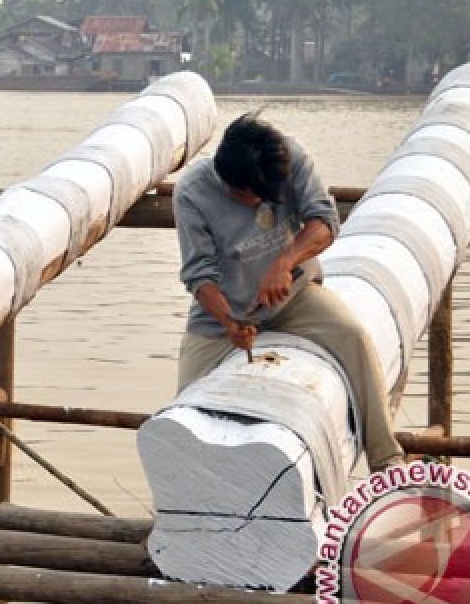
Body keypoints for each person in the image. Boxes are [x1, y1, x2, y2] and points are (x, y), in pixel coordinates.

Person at [172, 111, 405, 471]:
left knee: (355, 337)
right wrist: (231, 323)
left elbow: (325, 221)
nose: (257, 204)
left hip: (293, 296)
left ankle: (387, 460)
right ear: (227, 181)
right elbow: (199, 275)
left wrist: (284, 263)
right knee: (183, 412)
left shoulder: (289, 156)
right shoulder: (191, 193)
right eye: (249, 197)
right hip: (224, 315)